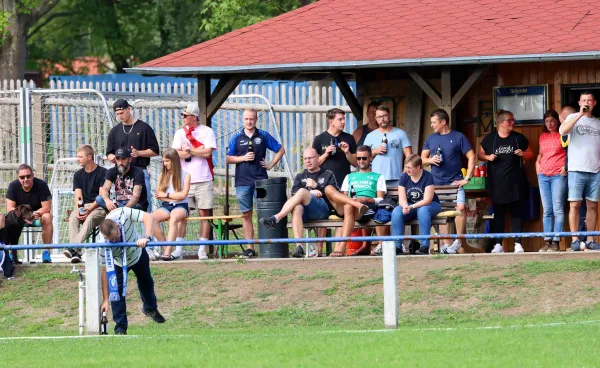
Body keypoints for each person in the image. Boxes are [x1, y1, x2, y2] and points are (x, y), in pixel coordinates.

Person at [258, 148, 368, 258]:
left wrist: (317, 187)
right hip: (305, 213)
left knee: (302, 192)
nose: (307, 161)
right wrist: (310, 192)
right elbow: (294, 194)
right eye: (305, 159)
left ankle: (276, 218)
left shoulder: (327, 174)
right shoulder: (300, 176)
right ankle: (299, 246)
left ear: (318, 158)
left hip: (323, 210)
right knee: (297, 207)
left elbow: (334, 196)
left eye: (310, 158)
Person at [226, 108, 285, 258]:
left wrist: (271, 164)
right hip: (242, 182)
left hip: (261, 182)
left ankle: (267, 246)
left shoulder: (263, 136)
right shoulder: (236, 137)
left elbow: (281, 150)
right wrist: (243, 158)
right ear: (242, 119)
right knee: (246, 214)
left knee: (263, 213)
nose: (249, 122)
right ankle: (250, 247)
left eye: (251, 119)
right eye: (246, 119)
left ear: (256, 119)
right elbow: (228, 158)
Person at [98, 207, 165, 335]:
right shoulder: (102, 243)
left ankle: (150, 308)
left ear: (118, 226)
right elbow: (104, 271)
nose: (115, 241)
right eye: (111, 240)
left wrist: (147, 236)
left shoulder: (124, 213)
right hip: (117, 262)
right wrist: (106, 299)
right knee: (116, 293)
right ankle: (120, 329)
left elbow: (148, 217)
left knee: (146, 282)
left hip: (138, 254)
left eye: (115, 237)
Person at [478, 110, 534, 253]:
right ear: (501, 123)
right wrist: (487, 158)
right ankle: (498, 244)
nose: (513, 123)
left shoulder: (518, 138)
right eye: (510, 120)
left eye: (513, 120)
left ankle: (517, 243)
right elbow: (480, 153)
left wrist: (523, 154)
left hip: (516, 182)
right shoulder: (490, 139)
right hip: (497, 183)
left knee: (517, 213)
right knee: (499, 214)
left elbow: (531, 153)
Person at [421, 109, 475, 254]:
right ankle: (447, 245)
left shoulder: (458, 137)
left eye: (434, 122)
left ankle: (459, 241)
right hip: (437, 183)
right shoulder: (430, 139)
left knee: (460, 208)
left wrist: (467, 178)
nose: (431, 125)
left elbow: (471, 156)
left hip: (455, 182)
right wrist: (430, 160)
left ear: (443, 122)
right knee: (442, 212)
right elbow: (422, 158)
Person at [172, 102, 216, 260]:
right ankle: (178, 249)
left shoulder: (207, 131)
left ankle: (202, 249)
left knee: (204, 213)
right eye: (182, 115)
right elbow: (176, 154)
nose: (183, 118)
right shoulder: (179, 133)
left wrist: (189, 150)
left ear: (194, 117)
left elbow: (208, 153)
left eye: (185, 115)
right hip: (185, 179)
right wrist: (191, 152)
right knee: (182, 214)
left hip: (204, 178)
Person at [559, 91, 600, 251]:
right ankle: (575, 239)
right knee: (575, 204)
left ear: (594, 103)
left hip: (595, 169)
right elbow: (563, 131)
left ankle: (590, 239)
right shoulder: (572, 118)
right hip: (576, 168)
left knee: (593, 206)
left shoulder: (597, 123)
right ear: (579, 102)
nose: (587, 102)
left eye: (589, 100)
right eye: (584, 100)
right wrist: (579, 116)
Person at [312, 108, 358, 252]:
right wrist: (325, 154)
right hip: (323, 184)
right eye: (340, 119)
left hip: (343, 183)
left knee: (341, 215)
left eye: (344, 119)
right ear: (331, 121)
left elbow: (355, 163)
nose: (343, 122)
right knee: (323, 216)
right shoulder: (320, 139)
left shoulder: (349, 138)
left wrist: (347, 152)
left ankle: (339, 249)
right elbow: (314, 163)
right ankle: (319, 250)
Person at [106, 99, 159, 213]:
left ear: (129, 109)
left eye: (122, 113)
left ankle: (148, 229)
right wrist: (112, 158)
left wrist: (139, 153)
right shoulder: (114, 131)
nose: (120, 116)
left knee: (144, 204)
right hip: (120, 173)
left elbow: (155, 150)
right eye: (118, 114)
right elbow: (109, 152)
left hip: (139, 171)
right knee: (119, 203)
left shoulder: (144, 128)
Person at [339, 145, 387, 256]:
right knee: (348, 205)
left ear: (370, 158)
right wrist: (353, 201)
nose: (361, 161)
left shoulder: (378, 177)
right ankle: (342, 246)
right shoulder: (349, 177)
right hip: (351, 206)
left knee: (348, 206)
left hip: (367, 207)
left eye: (364, 158)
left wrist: (365, 199)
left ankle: (341, 246)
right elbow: (343, 197)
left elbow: (380, 200)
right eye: (358, 158)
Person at [391, 154, 442, 255]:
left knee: (423, 210)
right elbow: (401, 198)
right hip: (411, 206)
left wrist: (412, 206)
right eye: (406, 167)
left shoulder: (428, 176)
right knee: (397, 212)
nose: (407, 170)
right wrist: (405, 206)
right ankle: (397, 246)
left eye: (410, 168)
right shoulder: (404, 177)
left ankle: (424, 246)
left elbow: (427, 200)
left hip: (431, 205)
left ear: (418, 167)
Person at [65, 145, 108, 263]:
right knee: (73, 217)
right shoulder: (78, 175)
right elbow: (78, 196)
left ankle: (73, 248)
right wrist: (79, 210)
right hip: (84, 206)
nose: (77, 159)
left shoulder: (103, 172)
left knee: (90, 218)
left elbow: (101, 197)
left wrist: (89, 210)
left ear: (89, 157)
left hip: (99, 207)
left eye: (80, 157)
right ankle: (76, 253)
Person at [6, 164, 53, 263]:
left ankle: (46, 252)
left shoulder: (41, 185)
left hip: (36, 216)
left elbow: (47, 208)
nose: (25, 179)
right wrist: (20, 217)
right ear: (18, 178)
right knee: (8, 219)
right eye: (22, 177)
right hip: (19, 217)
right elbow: (10, 208)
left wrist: (36, 213)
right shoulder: (13, 186)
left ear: (33, 175)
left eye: (28, 176)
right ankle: (11, 253)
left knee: (48, 216)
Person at [535, 110, 567, 252]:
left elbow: (569, 151)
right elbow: (541, 153)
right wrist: (537, 163)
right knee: (547, 210)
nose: (549, 124)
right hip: (543, 175)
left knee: (558, 209)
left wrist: (565, 166)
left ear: (557, 121)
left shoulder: (563, 134)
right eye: (547, 121)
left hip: (557, 175)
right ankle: (547, 241)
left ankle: (556, 241)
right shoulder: (542, 136)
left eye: (552, 121)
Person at [152, 148, 191, 261]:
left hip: (181, 205)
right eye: (164, 161)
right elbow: (159, 195)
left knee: (174, 217)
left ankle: (168, 252)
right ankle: (166, 248)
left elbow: (183, 195)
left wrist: (167, 195)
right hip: (166, 205)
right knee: (150, 219)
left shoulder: (186, 175)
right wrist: (171, 195)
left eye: (167, 161)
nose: (165, 164)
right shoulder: (162, 175)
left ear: (174, 161)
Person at [363, 105, 412, 187]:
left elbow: (409, 155)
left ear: (389, 116)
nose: (382, 119)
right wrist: (375, 151)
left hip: (397, 178)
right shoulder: (370, 136)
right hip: (376, 178)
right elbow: (363, 156)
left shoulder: (400, 133)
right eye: (379, 117)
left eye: (384, 116)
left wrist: (405, 173)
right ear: (376, 118)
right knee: (378, 200)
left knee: (398, 200)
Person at [560, 105, 587, 243]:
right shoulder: (565, 131)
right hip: (571, 172)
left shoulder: (578, 130)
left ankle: (584, 239)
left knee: (583, 207)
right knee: (575, 205)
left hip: (582, 171)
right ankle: (577, 239)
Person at [96, 147, 148, 213]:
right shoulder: (111, 171)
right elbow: (105, 189)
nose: (120, 162)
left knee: (136, 205)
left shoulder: (138, 172)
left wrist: (124, 210)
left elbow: (136, 196)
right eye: (118, 159)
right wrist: (107, 201)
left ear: (130, 159)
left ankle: (117, 212)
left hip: (135, 205)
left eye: (123, 159)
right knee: (99, 199)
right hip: (119, 203)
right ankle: (118, 211)